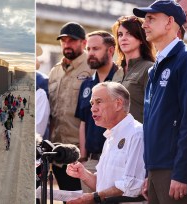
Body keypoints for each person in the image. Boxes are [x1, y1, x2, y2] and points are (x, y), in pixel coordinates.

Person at [133, 1, 187, 203]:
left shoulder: (184, 61)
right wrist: (149, 171)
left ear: (170, 22)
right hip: (156, 169)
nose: (144, 25)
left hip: (174, 170)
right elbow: (152, 124)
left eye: (151, 19)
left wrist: (182, 173)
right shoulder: (154, 68)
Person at [66, 82, 145, 204]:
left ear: (118, 104)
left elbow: (132, 185)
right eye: (92, 103)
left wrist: (94, 197)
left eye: (99, 102)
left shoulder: (136, 134)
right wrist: (83, 174)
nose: (93, 108)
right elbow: (102, 184)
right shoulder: (110, 136)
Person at [49, 21, 95, 193]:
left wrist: (85, 154)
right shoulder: (55, 71)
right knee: (67, 198)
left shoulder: (92, 68)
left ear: (83, 43)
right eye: (63, 40)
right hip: (58, 153)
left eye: (72, 40)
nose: (67, 44)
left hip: (81, 154)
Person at [74, 31, 118, 193]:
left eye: (96, 49)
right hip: (91, 161)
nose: (91, 53)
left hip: (117, 160)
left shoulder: (121, 80)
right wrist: (83, 158)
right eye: (89, 49)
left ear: (111, 51)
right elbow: (83, 123)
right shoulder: (86, 85)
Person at [111, 15, 155, 123]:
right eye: (120, 34)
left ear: (141, 39)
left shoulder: (149, 68)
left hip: (140, 136)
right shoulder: (118, 72)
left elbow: (154, 111)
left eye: (129, 34)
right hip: (116, 136)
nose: (123, 38)